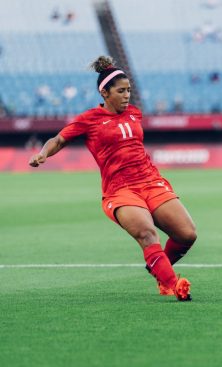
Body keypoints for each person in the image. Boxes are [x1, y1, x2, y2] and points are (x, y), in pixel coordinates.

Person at [28, 56, 195, 302]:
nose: (127, 95)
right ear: (105, 92)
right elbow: (59, 139)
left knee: (187, 234)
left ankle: (158, 266)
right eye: (121, 91)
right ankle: (172, 284)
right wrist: (43, 153)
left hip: (151, 181)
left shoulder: (135, 114)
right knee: (148, 234)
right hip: (121, 190)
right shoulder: (89, 119)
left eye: (128, 90)